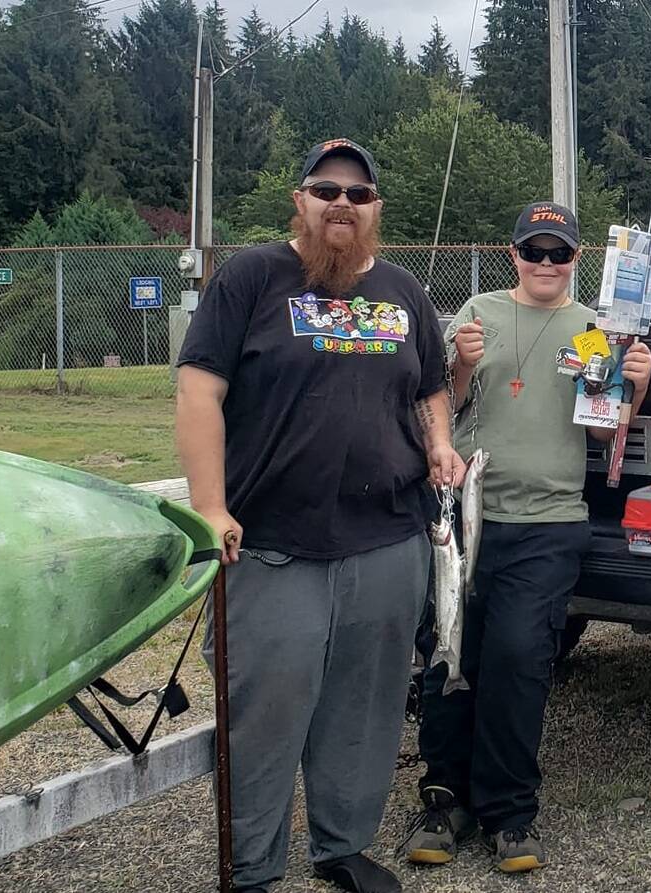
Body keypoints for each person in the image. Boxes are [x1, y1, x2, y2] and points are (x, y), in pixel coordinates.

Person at [175, 138, 465, 893]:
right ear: (298, 202)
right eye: (325, 189)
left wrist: (439, 444)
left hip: (388, 538)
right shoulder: (249, 278)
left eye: (357, 194)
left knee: (364, 709)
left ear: (375, 211)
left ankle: (341, 845)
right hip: (272, 542)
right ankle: (251, 866)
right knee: (264, 714)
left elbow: (430, 386)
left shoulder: (402, 291)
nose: (342, 202)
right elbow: (198, 391)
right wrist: (208, 507)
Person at [400, 201, 651, 872]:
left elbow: (603, 431)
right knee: (449, 651)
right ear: (512, 254)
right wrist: (457, 365)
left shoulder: (593, 330)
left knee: (517, 661)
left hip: (547, 524)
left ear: (576, 261)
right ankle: (442, 798)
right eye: (533, 251)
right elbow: (439, 410)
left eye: (558, 252)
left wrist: (635, 389)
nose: (545, 263)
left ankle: (510, 812)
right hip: (463, 519)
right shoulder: (475, 312)